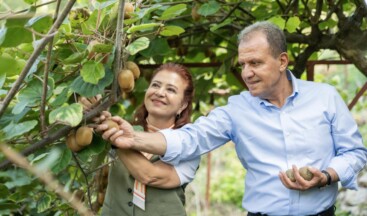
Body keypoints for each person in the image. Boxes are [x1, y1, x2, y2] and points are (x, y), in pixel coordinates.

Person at [100, 21, 367, 215]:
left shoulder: (325, 97)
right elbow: (190, 139)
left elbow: (355, 152)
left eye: (256, 63)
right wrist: (132, 138)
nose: (247, 72)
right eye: (242, 65)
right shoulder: (236, 110)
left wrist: (328, 175)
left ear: (282, 61)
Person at [96, 63, 200, 215]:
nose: (159, 92)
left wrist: (116, 140)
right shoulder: (124, 128)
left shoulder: (189, 146)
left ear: (182, 105)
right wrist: (90, 108)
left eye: (170, 89)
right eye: (155, 85)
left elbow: (150, 176)